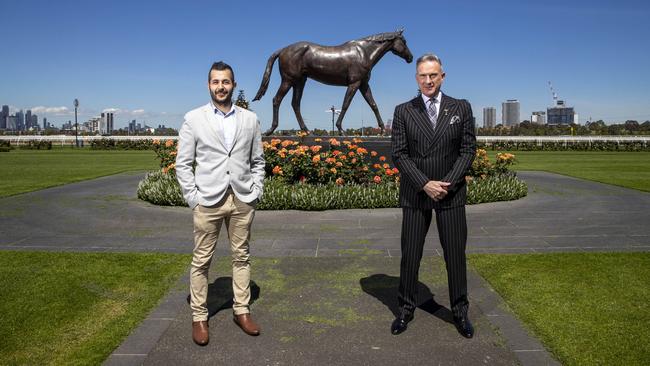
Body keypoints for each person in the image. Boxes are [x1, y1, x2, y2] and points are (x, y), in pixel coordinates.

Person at [176, 61, 265, 346]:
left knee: (242, 256)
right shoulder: (193, 118)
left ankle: (242, 310)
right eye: (216, 82)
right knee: (201, 260)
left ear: (233, 85)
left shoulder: (250, 119)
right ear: (208, 85)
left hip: (242, 198)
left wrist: (256, 189)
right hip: (208, 202)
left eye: (226, 82)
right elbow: (183, 164)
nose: (221, 86)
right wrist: (193, 198)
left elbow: (258, 161)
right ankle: (199, 316)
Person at [390, 53, 477, 338]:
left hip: (450, 194)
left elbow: (467, 150)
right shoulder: (403, 111)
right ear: (416, 78)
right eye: (423, 76)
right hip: (417, 193)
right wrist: (425, 183)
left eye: (433, 75)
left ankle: (460, 312)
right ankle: (404, 310)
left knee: (455, 255)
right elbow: (399, 155)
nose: (428, 80)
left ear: (442, 76)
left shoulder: (461, 108)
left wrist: (448, 183)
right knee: (410, 255)